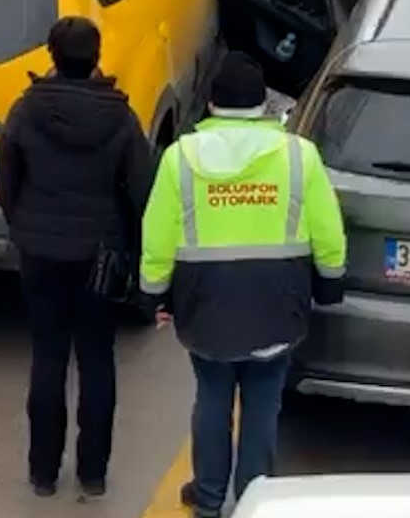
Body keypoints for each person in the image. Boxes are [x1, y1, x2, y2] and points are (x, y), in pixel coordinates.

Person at [140, 51, 346, 518]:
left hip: (205, 302)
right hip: (278, 301)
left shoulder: (180, 159)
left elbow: (158, 236)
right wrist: (329, 285)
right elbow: (328, 231)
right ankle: (255, 499)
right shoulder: (299, 156)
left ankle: (208, 498)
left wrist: (152, 294)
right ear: (264, 105)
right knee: (264, 402)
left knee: (212, 395)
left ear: (211, 103)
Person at [0, 17, 154, 500]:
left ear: (52, 54)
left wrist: (24, 224)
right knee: (97, 359)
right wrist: (130, 246)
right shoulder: (121, 118)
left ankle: (43, 473)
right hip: (100, 256)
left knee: (48, 356)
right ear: (96, 56)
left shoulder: (26, 111)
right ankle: (93, 472)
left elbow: (5, 179)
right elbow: (140, 190)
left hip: (40, 252)